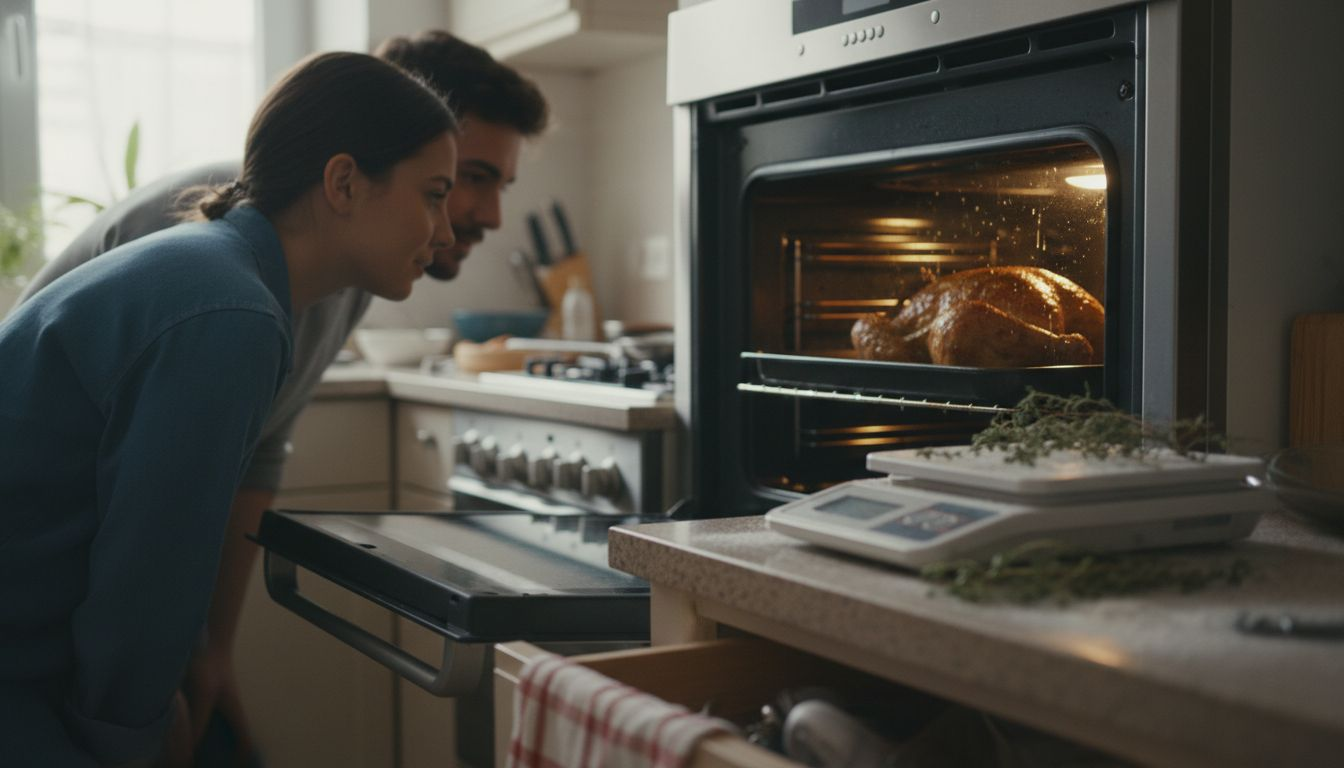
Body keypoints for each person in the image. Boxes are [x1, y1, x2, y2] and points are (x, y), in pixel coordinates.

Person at [13, 32, 549, 763]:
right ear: (344, 183)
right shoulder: (232, 311)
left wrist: (201, 664)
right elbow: (142, 581)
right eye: (437, 193)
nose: (454, 222)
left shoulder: (245, 271)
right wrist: (132, 734)